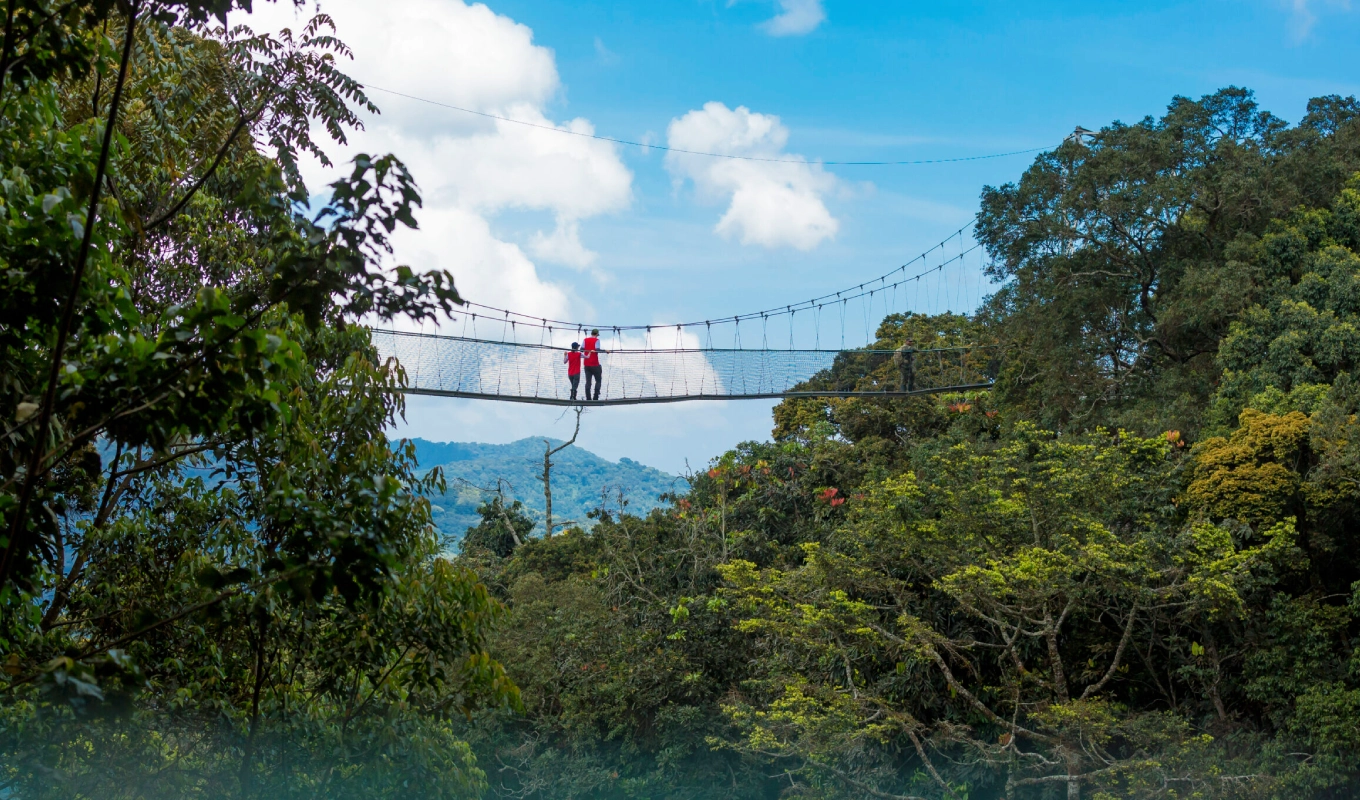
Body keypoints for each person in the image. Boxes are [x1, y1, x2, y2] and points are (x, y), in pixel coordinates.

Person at [583, 328, 605, 401]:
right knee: (598, 380)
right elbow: (597, 350)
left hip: (586, 364)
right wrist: (606, 351)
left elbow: (581, 349)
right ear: (597, 334)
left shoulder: (585, 340)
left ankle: (588, 398)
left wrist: (588, 350)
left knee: (588, 382)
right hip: (595, 364)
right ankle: (595, 397)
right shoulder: (597, 340)